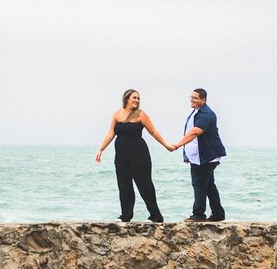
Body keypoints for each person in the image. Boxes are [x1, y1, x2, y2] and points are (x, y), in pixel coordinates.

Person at [95, 89, 172, 222]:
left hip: (139, 155)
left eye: (138, 98)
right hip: (121, 155)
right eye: (134, 98)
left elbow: (154, 132)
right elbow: (110, 134)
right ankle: (126, 216)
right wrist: (101, 149)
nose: (137, 100)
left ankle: (156, 216)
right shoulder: (116, 114)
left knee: (145, 184)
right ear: (126, 99)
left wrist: (167, 145)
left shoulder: (141, 115)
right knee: (124, 185)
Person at [170, 88, 227, 222]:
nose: (192, 100)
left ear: (203, 100)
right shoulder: (196, 112)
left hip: (206, 156)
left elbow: (195, 132)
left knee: (199, 183)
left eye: (195, 98)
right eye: (191, 97)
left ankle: (198, 214)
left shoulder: (206, 114)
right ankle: (218, 214)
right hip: (199, 156)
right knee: (208, 184)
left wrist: (178, 145)